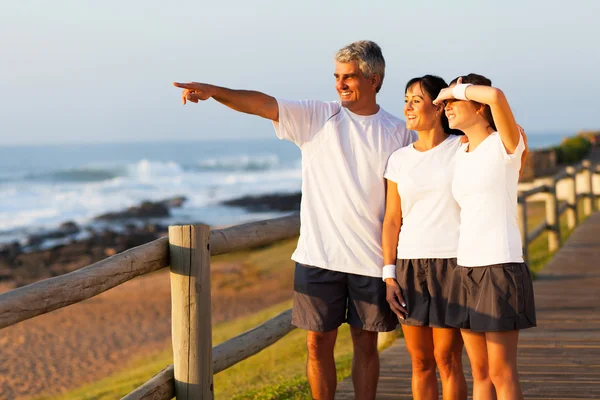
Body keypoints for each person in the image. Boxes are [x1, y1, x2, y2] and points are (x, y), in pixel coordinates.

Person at [173, 40, 415, 400]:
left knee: (366, 347)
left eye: (349, 76)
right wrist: (214, 92)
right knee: (317, 346)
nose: (340, 83)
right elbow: (261, 104)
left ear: (374, 79)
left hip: (371, 261)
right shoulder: (317, 116)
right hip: (318, 258)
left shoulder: (399, 132)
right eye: (336, 76)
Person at [434, 74, 537, 400]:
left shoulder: (506, 143)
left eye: (454, 100)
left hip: (499, 266)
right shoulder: (461, 152)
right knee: (479, 373)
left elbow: (496, 94)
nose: (447, 105)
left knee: (500, 372)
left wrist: (452, 88)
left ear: (479, 106)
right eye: (445, 101)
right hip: (465, 268)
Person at [382, 75, 468, 400]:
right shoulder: (399, 159)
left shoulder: (462, 147)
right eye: (406, 99)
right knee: (420, 362)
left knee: (447, 359)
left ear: (438, 106)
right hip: (409, 267)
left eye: (416, 100)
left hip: (453, 264)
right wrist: (388, 275)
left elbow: (507, 139)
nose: (408, 107)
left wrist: (459, 92)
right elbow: (392, 220)